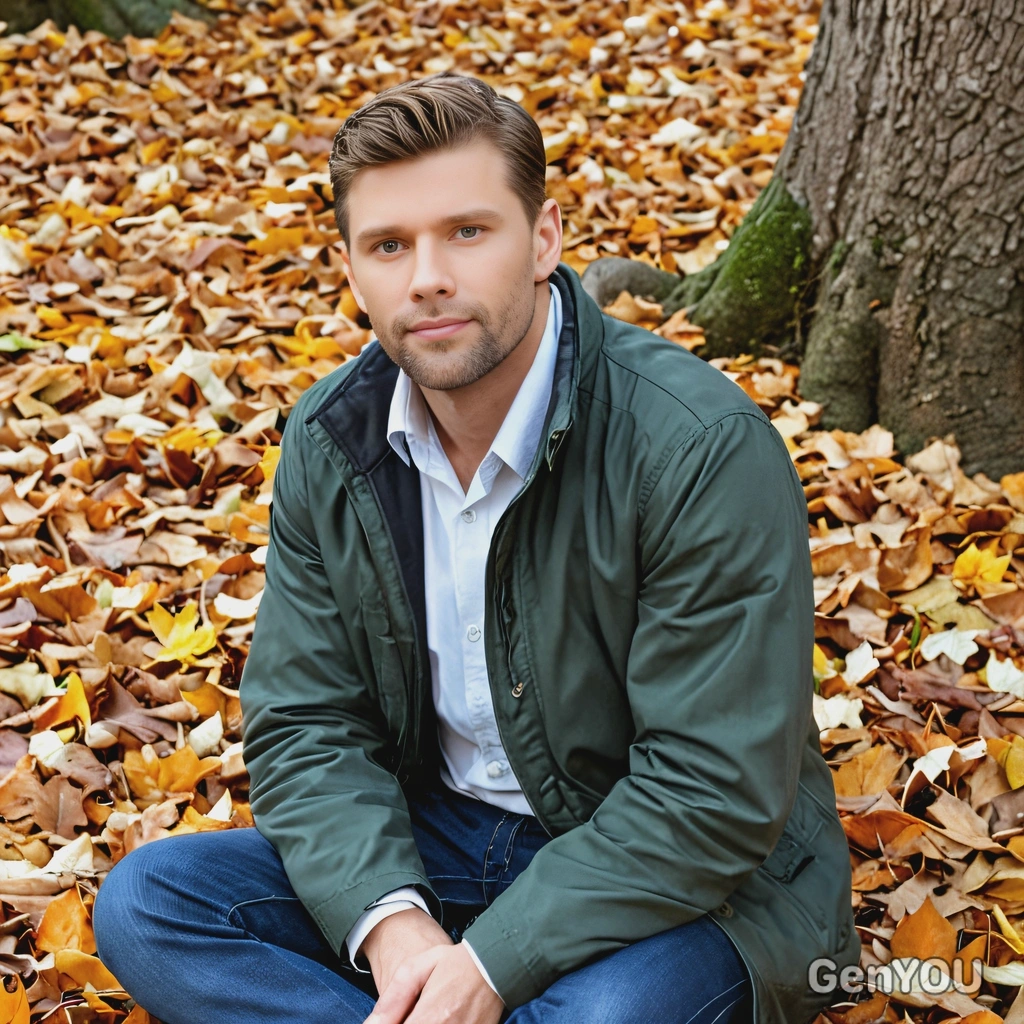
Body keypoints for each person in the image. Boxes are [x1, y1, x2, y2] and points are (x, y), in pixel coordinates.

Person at [93, 70, 859, 1024]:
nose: (427, 277)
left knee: (609, 1016)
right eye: (388, 246)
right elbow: (306, 721)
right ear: (351, 269)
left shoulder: (696, 447)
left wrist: (492, 962)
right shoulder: (335, 441)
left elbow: (712, 792)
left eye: (466, 231)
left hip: (686, 883)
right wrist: (394, 928)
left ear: (543, 241)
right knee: (151, 903)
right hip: (439, 841)